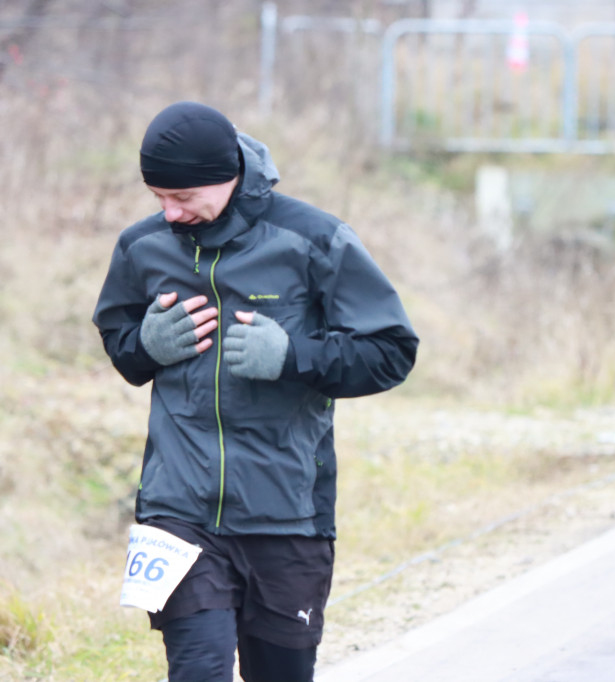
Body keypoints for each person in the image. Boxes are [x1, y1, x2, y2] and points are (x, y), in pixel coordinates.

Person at [92, 101, 419, 682]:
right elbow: (121, 345)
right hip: (179, 512)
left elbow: (391, 350)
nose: (169, 213)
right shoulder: (141, 247)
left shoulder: (313, 240)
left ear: (229, 176)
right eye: (157, 197)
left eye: (183, 198)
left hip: (287, 514)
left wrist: (294, 356)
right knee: (198, 671)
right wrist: (146, 345)